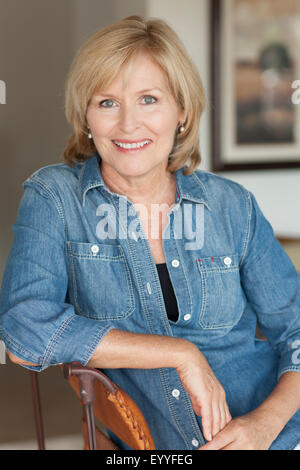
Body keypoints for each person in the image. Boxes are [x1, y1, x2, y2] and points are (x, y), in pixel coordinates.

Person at [0, 15, 299, 451]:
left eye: (149, 99)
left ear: (181, 111)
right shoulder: (55, 197)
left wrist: (263, 425)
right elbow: (23, 335)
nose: (128, 125)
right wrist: (180, 354)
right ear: (85, 114)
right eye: (107, 103)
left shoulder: (231, 206)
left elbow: (296, 331)